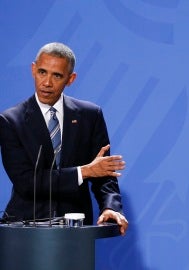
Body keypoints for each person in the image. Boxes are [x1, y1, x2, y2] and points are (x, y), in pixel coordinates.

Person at [0, 42, 128, 235]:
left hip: (76, 231)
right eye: (42, 72)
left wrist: (110, 206)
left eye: (57, 75)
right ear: (33, 70)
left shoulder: (90, 116)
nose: (47, 83)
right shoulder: (11, 120)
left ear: (70, 79)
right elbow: (27, 182)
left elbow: (103, 173)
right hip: (25, 230)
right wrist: (83, 172)